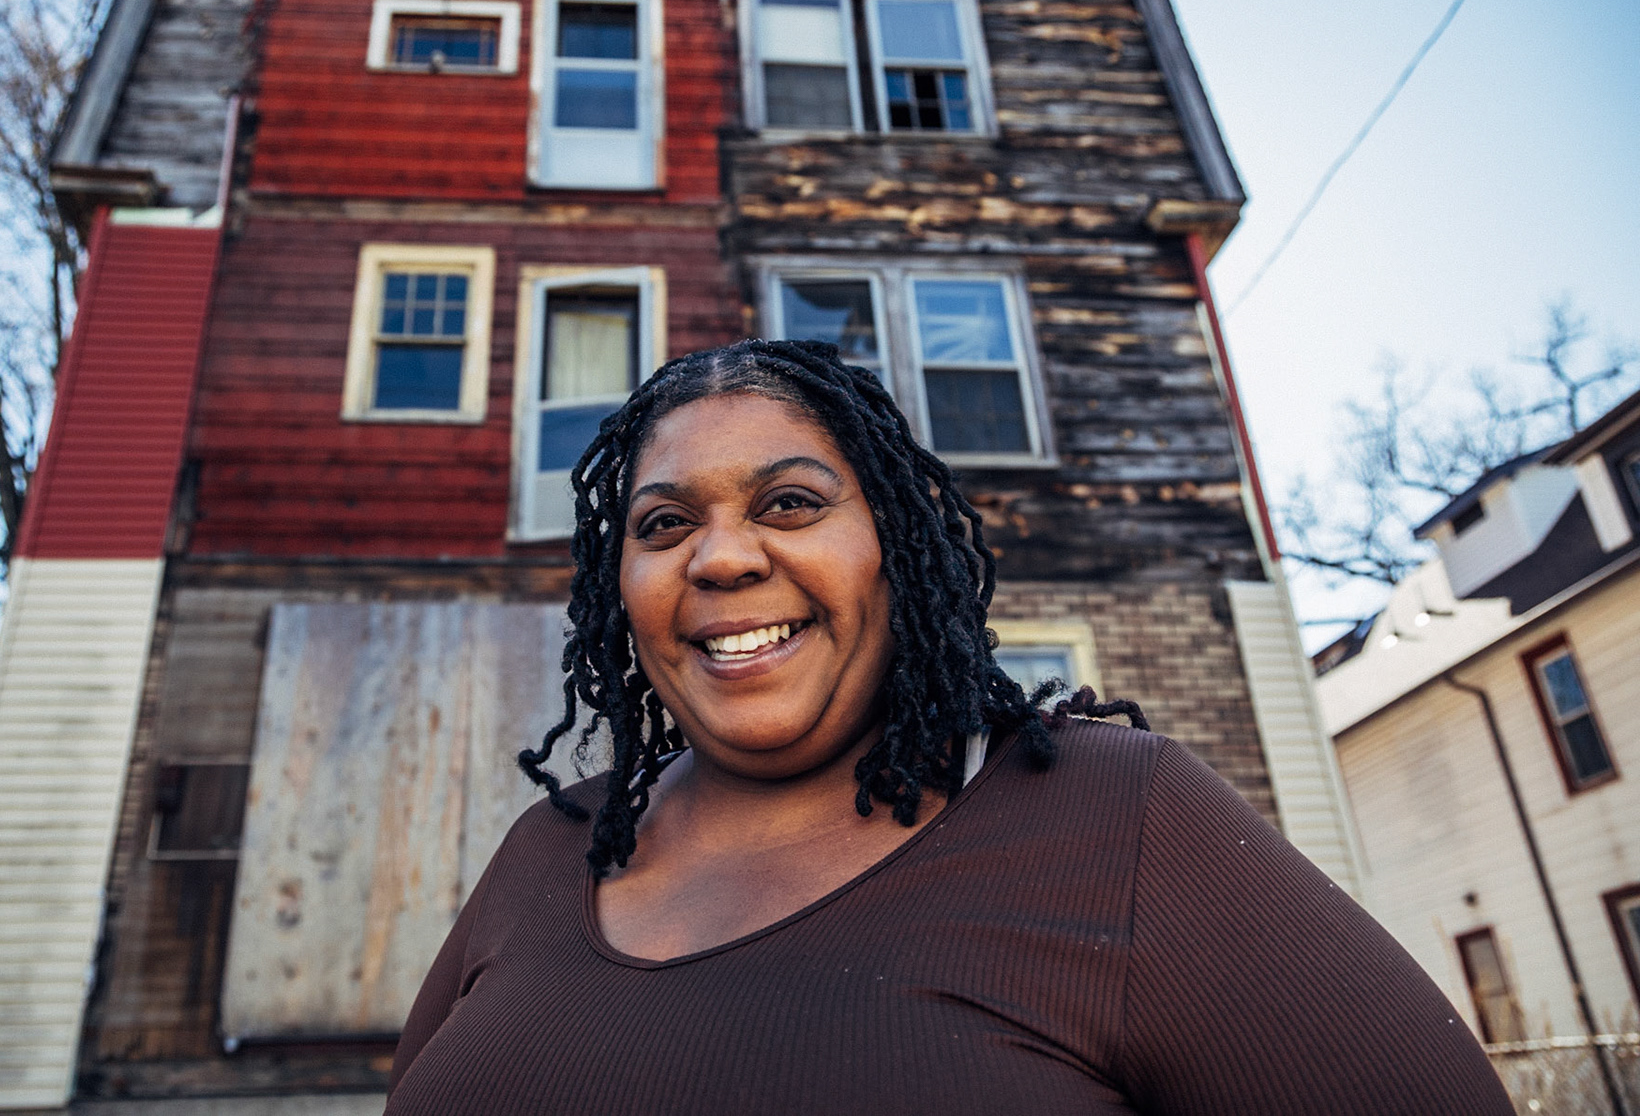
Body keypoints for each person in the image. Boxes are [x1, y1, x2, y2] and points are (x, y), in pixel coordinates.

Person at [386, 339, 1513, 1114]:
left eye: (789, 502)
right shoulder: (555, 847)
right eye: (666, 521)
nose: (721, 556)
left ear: (898, 543)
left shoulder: (1113, 818)